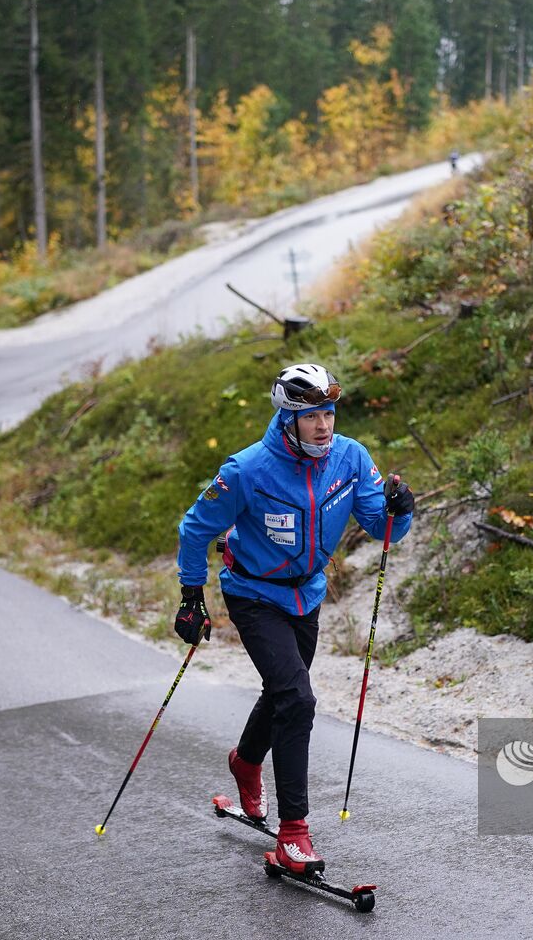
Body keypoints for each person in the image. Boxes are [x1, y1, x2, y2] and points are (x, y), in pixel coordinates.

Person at [173, 362, 415, 874]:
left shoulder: (350, 458)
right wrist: (192, 596)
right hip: (253, 594)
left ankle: (244, 761)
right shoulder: (246, 470)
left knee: (282, 693)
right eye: (311, 417)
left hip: (306, 595)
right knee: (297, 698)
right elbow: (195, 529)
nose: (324, 425)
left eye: (328, 413)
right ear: (288, 419)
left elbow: (382, 529)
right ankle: (294, 834)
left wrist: (401, 509)